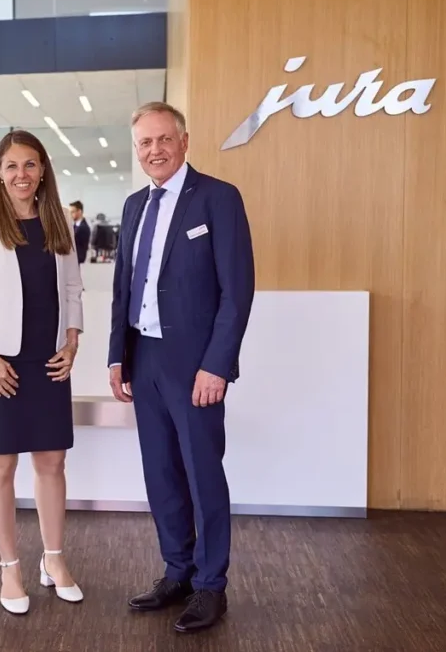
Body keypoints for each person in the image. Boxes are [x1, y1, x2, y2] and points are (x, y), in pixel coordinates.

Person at [107, 101, 255, 633]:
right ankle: (178, 571)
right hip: (143, 359)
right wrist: (116, 355)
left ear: (184, 141)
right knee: (161, 473)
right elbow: (123, 287)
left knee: (202, 473)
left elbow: (236, 293)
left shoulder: (218, 198)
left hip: (195, 365)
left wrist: (218, 365)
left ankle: (211, 585)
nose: (155, 150)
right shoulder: (132, 206)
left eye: (164, 139)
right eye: (145, 143)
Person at [0, 129, 85, 616]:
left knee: (52, 465)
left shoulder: (58, 224)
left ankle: (54, 560)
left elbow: (72, 290)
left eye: (29, 165)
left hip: (49, 362)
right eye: (11, 166)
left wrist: (72, 343)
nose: (20, 174)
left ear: (43, 170)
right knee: (1, 468)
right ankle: (10, 566)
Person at [69, 200, 91, 265]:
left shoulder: (83, 227)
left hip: (78, 260)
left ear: (79, 211)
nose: (70, 215)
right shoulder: (74, 226)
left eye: (72, 212)